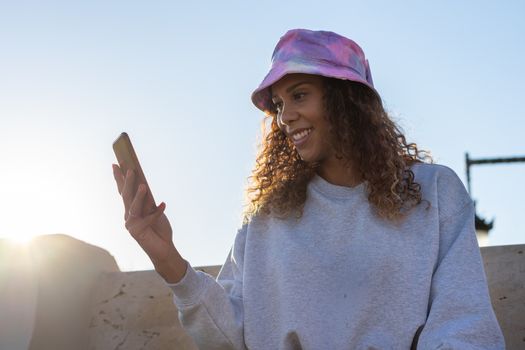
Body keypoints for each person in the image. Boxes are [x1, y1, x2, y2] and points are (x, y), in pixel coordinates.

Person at [112, 29, 505, 349]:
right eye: (280, 104)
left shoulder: (434, 193)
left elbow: (465, 327)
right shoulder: (267, 218)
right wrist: (168, 260)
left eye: (299, 95)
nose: (286, 116)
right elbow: (232, 337)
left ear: (347, 99)